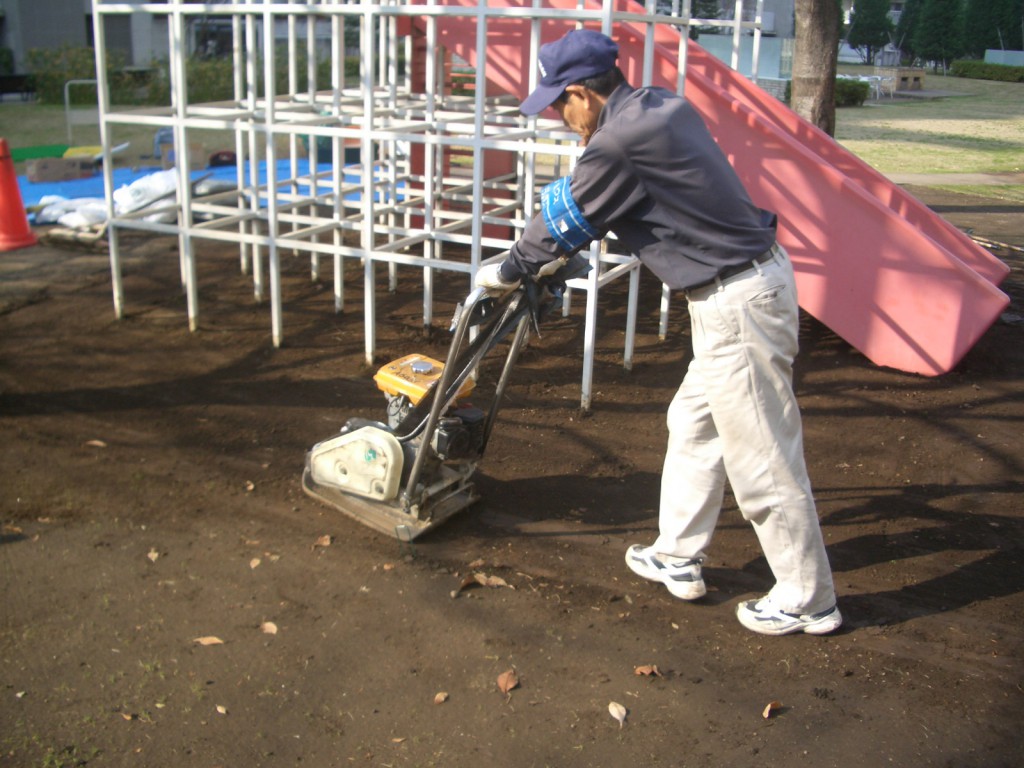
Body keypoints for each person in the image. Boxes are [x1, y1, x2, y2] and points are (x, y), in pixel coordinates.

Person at [475, 29, 841, 636]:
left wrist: (509, 269)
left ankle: (808, 597)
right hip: (740, 289)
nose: (562, 121)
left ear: (583, 95)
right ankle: (677, 554)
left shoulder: (617, 141)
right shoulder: (660, 106)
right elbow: (610, 206)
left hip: (737, 301)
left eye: (560, 106)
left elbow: (569, 216)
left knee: (763, 457)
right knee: (693, 424)